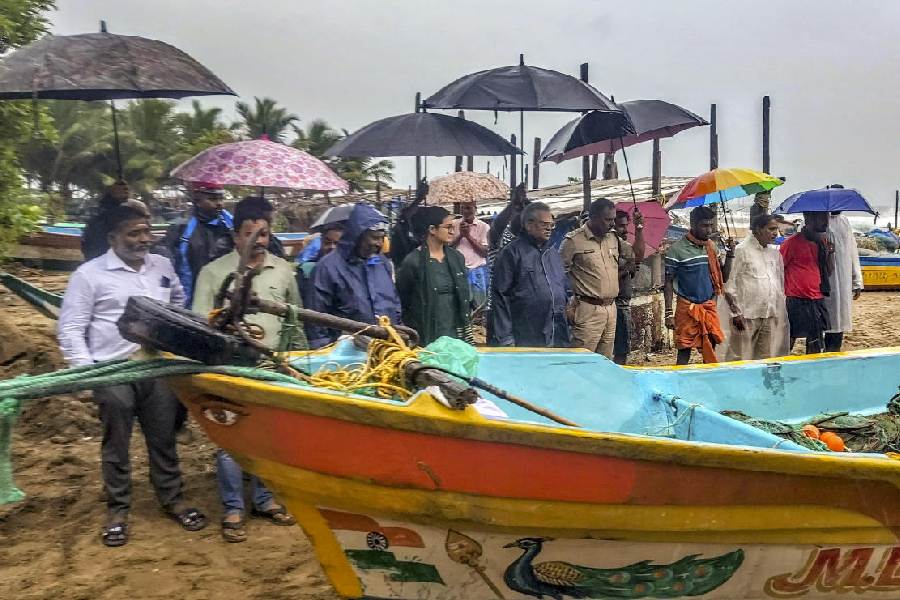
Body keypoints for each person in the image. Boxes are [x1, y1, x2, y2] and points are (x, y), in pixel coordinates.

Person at [57, 204, 206, 547]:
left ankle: (173, 500)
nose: (142, 239)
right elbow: (71, 328)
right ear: (113, 238)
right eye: (133, 233)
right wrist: (86, 374)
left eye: (145, 231)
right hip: (113, 370)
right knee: (117, 445)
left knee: (164, 439)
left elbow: (179, 306)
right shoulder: (90, 275)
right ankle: (118, 510)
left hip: (156, 368)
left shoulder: (162, 266)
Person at [192, 197, 301, 542]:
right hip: (229, 365)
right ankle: (233, 506)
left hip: (273, 364)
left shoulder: (282, 270)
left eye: (264, 233)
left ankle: (265, 499)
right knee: (231, 437)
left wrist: (296, 358)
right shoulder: (213, 273)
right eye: (250, 233)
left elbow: (295, 318)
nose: (258, 241)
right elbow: (199, 323)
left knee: (270, 435)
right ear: (236, 236)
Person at [306, 203, 401, 348]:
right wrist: (325, 353)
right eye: (375, 238)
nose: (379, 243)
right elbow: (316, 320)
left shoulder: (382, 264)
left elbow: (394, 303)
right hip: (345, 356)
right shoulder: (327, 268)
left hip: (387, 349)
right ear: (358, 235)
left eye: (382, 238)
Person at [663, 206, 737, 365]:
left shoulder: (711, 247)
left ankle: (708, 383)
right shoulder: (676, 250)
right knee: (684, 350)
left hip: (709, 306)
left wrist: (730, 254)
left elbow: (723, 278)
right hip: (687, 308)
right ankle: (679, 385)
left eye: (711, 225)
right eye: (704, 225)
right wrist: (668, 313)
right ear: (693, 224)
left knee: (711, 346)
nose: (709, 229)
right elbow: (668, 282)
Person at [490, 202, 570, 347]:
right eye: (544, 224)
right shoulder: (511, 253)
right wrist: (506, 338)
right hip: (526, 333)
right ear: (529, 225)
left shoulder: (552, 253)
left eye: (551, 225)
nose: (549, 229)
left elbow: (562, 288)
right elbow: (500, 297)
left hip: (556, 331)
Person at [397, 206, 471, 345]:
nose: (452, 231)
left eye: (453, 226)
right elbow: (404, 301)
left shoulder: (456, 258)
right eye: (448, 227)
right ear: (432, 229)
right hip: (427, 333)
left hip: (456, 332)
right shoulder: (413, 262)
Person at [721, 214, 789, 361]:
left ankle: (759, 384)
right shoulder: (741, 250)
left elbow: (778, 283)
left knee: (764, 358)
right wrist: (735, 313)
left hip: (768, 313)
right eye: (771, 229)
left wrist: (777, 309)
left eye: (776, 229)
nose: (775, 233)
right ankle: (733, 383)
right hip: (745, 315)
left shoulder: (774, 253)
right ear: (758, 229)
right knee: (737, 357)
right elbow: (729, 284)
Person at [560, 198, 621, 358]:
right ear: (593, 218)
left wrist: (640, 228)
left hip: (610, 309)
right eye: (608, 220)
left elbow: (635, 256)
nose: (612, 224)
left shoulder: (613, 238)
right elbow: (557, 275)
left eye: (613, 219)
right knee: (581, 362)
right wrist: (566, 304)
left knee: (605, 362)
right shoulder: (573, 241)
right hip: (587, 309)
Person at [159, 182, 234, 307]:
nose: (219, 204)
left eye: (221, 198)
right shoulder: (181, 228)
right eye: (212, 199)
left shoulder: (231, 225)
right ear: (198, 200)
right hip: (192, 292)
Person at [780, 211, 834, 354]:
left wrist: (830, 254)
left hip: (817, 297)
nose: (826, 222)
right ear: (808, 219)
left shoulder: (823, 243)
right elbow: (778, 268)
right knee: (789, 337)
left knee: (816, 339)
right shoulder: (791, 243)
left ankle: (813, 371)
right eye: (821, 217)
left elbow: (828, 272)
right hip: (797, 298)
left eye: (826, 217)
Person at [823, 211, 863, 352]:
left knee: (840, 316)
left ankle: (834, 348)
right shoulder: (820, 220)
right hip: (825, 277)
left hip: (844, 277)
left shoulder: (845, 221)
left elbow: (852, 250)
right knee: (824, 316)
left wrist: (857, 281)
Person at [612, 208, 645, 365]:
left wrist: (639, 228)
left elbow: (638, 255)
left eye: (626, 226)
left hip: (623, 303)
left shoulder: (624, 246)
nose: (625, 230)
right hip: (610, 302)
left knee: (621, 350)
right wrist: (626, 269)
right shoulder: (604, 246)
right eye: (620, 226)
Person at [81, 181, 146, 260]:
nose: (126, 191)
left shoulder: (127, 208)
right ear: (111, 190)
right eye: (122, 188)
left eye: (126, 188)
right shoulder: (109, 212)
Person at [451, 200, 490, 307]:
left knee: (479, 306)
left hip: (477, 271)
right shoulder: (454, 224)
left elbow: (484, 253)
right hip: (459, 271)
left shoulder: (484, 227)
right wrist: (460, 235)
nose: (465, 211)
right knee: (461, 305)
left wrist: (468, 236)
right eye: (462, 208)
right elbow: (448, 249)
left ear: (475, 208)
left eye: (469, 208)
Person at [297, 223, 344, 302]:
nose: (332, 247)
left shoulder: (351, 272)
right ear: (321, 242)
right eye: (327, 242)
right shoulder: (306, 270)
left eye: (337, 243)